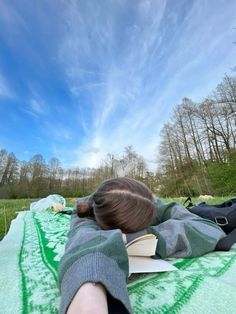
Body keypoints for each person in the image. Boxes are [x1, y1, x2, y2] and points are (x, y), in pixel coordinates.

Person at [58, 177, 226, 314]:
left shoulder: (145, 200)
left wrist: (146, 236)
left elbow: (208, 229)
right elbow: (85, 242)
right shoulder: (85, 213)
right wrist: (88, 291)